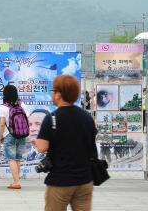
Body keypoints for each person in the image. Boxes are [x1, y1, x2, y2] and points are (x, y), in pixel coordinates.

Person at [35, 75, 98, 211]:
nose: (52, 94)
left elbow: (41, 147)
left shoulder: (51, 118)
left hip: (60, 180)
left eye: (53, 91)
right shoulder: (87, 117)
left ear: (59, 94)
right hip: (85, 180)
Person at [0, 84, 29, 189]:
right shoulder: (22, 104)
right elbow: (27, 120)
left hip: (9, 135)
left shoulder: (3, 107)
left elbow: (2, 124)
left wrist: (0, 136)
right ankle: (17, 180)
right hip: (22, 134)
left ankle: (16, 182)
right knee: (18, 159)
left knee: (11, 159)